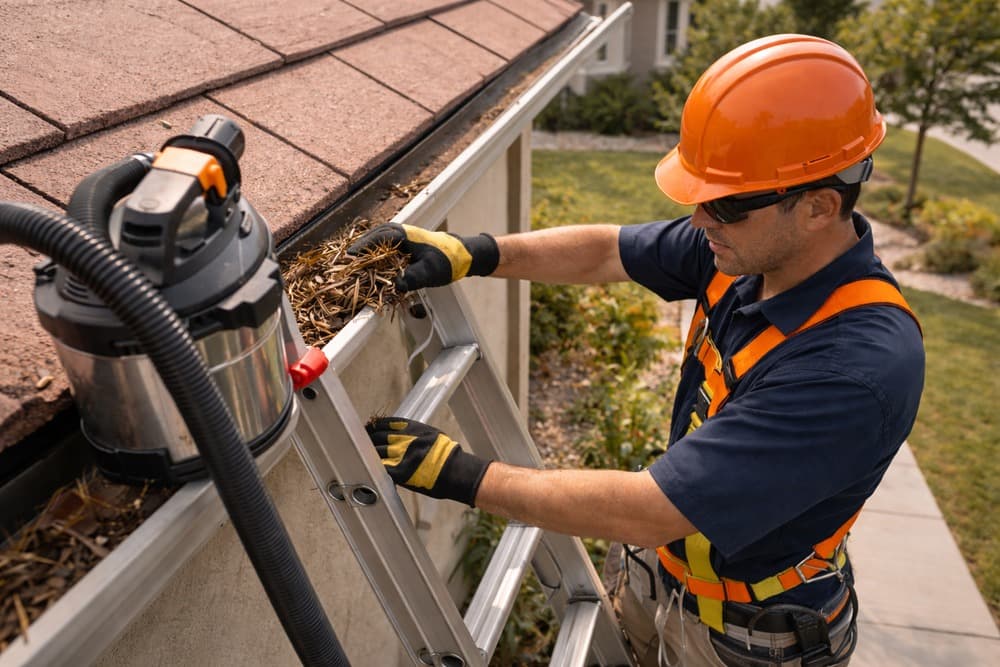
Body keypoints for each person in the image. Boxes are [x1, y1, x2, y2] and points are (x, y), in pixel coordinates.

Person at [348, 34, 924, 667]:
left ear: (819, 207)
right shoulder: (744, 253)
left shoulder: (854, 370)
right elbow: (606, 251)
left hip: (750, 641)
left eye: (727, 205)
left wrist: (462, 475)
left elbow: (653, 510)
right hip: (660, 580)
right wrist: (476, 253)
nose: (703, 221)